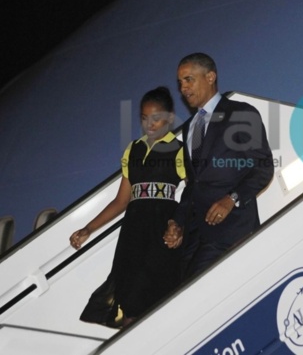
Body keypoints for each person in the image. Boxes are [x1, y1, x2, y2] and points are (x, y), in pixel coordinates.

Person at [70, 86, 185, 328]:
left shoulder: (179, 150)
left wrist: (179, 224)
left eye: (156, 118)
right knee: (129, 301)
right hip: (133, 233)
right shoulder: (133, 150)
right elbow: (121, 201)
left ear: (170, 118)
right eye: (144, 118)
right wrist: (88, 229)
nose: (149, 124)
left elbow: (194, 192)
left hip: (160, 232)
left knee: (153, 295)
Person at [163, 53, 274, 278]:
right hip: (197, 237)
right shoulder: (190, 127)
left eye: (188, 79)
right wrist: (177, 221)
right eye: (180, 82)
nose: (183, 88)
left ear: (211, 77)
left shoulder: (241, 113)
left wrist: (231, 199)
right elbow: (194, 184)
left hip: (233, 230)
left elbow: (263, 168)